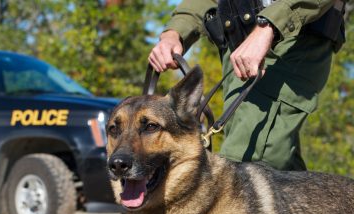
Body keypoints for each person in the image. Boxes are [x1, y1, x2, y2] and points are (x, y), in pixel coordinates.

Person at [148, 0, 345, 170]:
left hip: (288, 42)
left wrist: (269, 26)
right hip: (238, 50)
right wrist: (174, 33)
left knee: (243, 174)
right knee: (282, 180)